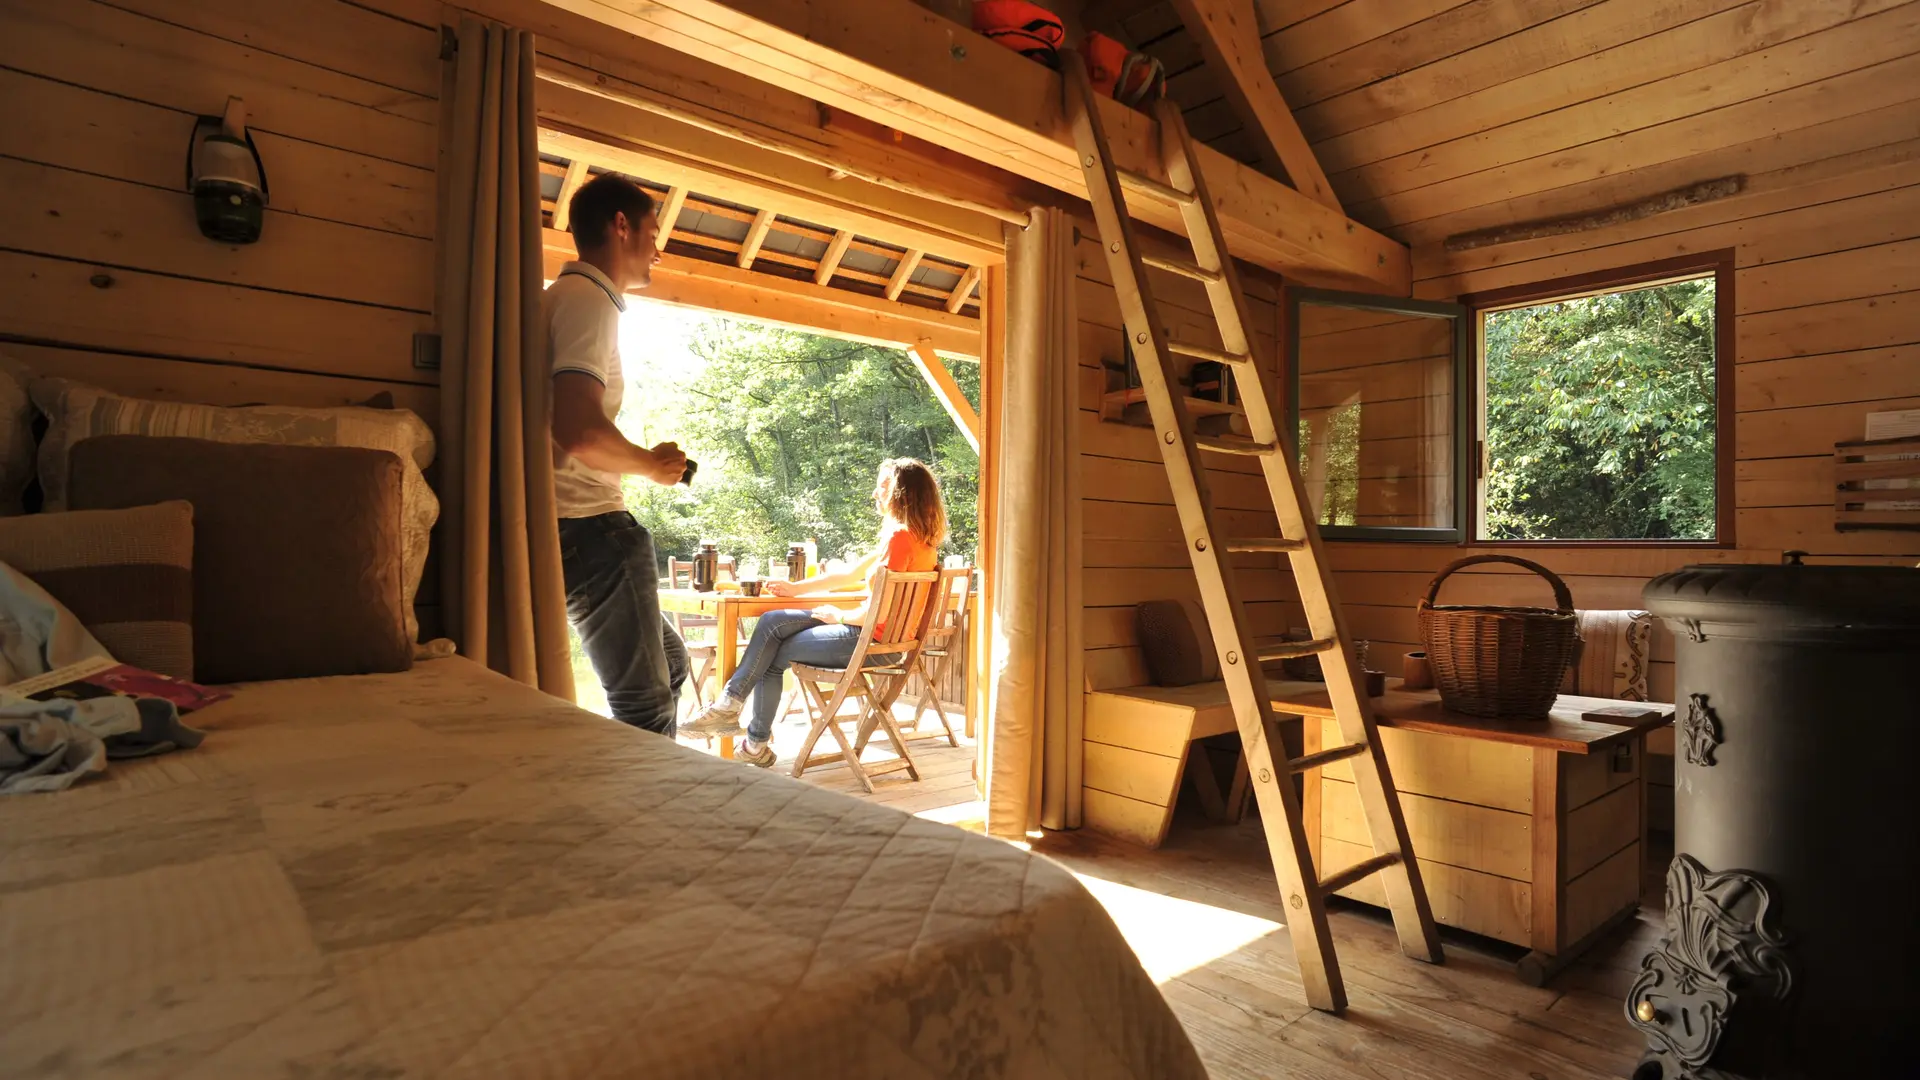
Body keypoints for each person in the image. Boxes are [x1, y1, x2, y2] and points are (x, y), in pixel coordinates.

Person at [679, 459, 946, 767]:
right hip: (881, 641)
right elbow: (846, 576)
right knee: (771, 622)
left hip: (869, 641)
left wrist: (841, 617)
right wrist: (795, 590)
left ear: (903, 493)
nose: (876, 493)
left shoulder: (900, 538)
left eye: (883, 486)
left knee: (770, 651)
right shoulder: (917, 540)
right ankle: (740, 724)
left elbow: (880, 609)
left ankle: (741, 725)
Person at [547, 173, 690, 735]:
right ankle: (645, 819)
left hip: (575, 526)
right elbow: (578, 431)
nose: (659, 248)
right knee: (644, 708)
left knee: (673, 665)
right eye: (654, 231)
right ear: (621, 226)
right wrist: (651, 465)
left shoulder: (561, 298)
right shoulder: (589, 300)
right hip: (592, 530)